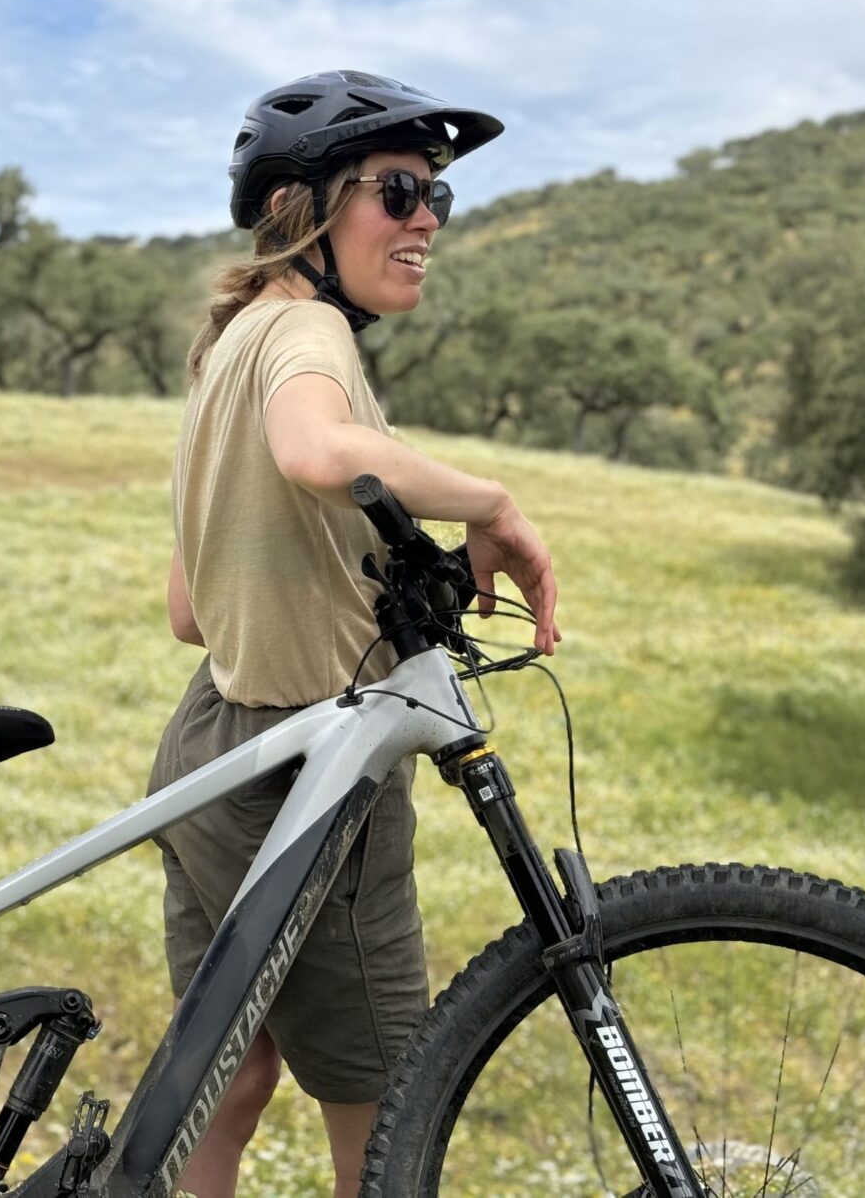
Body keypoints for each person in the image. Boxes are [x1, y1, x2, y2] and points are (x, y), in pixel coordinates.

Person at [151, 70, 563, 1198]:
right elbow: (317, 455)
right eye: (397, 190)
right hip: (310, 762)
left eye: (436, 197)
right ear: (305, 209)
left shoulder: (232, 341)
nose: (427, 217)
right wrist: (490, 499)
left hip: (212, 750)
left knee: (220, 1082)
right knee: (387, 1108)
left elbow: (191, 610)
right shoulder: (311, 335)